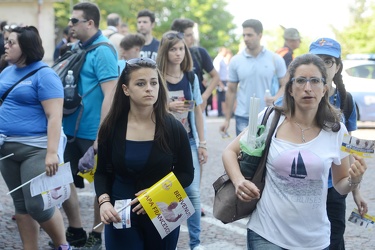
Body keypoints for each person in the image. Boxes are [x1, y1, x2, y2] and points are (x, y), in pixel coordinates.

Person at [222, 53, 368, 249]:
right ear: (290, 89)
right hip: (266, 233)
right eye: (300, 81)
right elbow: (229, 152)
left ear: (324, 88)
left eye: (315, 81)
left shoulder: (336, 130)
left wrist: (354, 180)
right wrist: (239, 180)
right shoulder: (269, 118)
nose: (308, 88)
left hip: (315, 239)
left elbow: (341, 185)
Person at [94, 57, 194, 249]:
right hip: (122, 212)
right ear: (126, 89)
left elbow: (186, 174)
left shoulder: (173, 127)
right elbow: (101, 173)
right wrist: (104, 202)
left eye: (153, 82)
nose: (149, 88)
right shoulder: (111, 128)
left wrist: (157, 192)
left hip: (163, 210)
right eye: (141, 83)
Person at [0, 26, 70, 250]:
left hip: (36, 149)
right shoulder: (7, 71)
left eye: (12, 43)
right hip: (6, 148)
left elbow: (54, 116)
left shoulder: (45, 74)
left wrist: (52, 152)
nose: (6, 46)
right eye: (6, 41)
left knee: (37, 205)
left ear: (26, 47)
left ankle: (62, 245)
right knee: (20, 206)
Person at [61, 2, 119, 249]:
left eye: (74, 21)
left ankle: (96, 233)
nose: (70, 25)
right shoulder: (75, 48)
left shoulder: (104, 51)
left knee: (100, 185)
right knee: (62, 180)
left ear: (90, 23)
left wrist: (101, 134)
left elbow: (111, 93)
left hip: (91, 131)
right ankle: (76, 228)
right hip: (68, 130)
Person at [309, 37, 368, 249]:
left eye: (328, 61)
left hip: (334, 187)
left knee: (334, 240)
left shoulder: (346, 99)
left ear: (338, 66)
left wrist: (356, 191)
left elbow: (349, 147)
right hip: (304, 184)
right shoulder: (298, 96)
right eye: (318, 60)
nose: (323, 66)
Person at [157, 30, 208, 250]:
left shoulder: (191, 77)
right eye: (173, 49)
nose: (178, 53)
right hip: (161, 143)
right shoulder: (156, 76)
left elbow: (197, 111)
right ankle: (167, 242)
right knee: (166, 194)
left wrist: (202, 143)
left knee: (192, 192)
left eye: (181, 49)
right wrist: (167, 106)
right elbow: (146, 107)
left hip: (187, 141)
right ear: (164, 52)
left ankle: (195, 244)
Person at [220, 19, 287, 136]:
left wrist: (276, 98)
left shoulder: (275, 59)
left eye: (249, 35)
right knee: (243, 153)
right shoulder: (236, 60)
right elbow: (231, 91)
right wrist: (227, 119)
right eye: (244, 35)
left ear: (260, 35)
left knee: (267, 153)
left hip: (268, 115)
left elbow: (285, 85)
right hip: (243, 117)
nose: (246, 38)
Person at [170, 18, 220, 115]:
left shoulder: (199, 53)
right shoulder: (167, 55)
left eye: (192, 34)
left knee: (197, 129)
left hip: (195, 105)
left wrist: (204, 97)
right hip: (174, 107)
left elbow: (216, 76)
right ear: (178, 36)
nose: (192, 38)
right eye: (188, 35)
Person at [213, 47, 231, 117]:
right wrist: (220, 83)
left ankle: (222, 111)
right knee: (220, 97)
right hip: (220, 81)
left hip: (224, 80)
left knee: (223, 97)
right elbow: (217, 73)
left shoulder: (222, 59)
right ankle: (219, 112)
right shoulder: (218, 60)